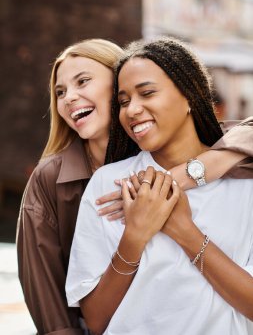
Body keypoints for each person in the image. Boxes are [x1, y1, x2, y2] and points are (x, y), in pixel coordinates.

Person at [66, 37, 253, 335]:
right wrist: (135, 235)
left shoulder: (244, 182)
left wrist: (186, 232)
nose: (132, 110)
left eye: (147, 93)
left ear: (189, 94)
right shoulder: (110, 184)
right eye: (124, 101)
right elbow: (97, 321)